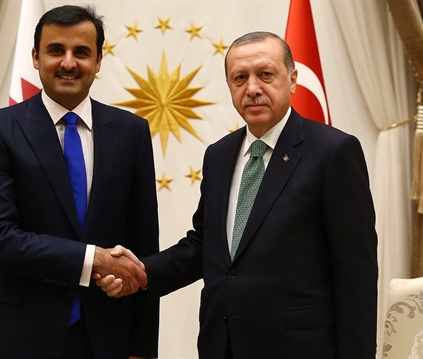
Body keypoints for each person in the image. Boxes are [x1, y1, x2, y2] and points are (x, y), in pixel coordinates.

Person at [97, 31, 378, 358]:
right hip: (223, 344)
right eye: (240, 78)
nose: (253, 88)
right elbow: (205, 245)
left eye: (266, 74)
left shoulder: (333, 152)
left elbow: (355, 273)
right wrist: (143, 273)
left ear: (293, 79)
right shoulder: (219, 155)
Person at [0, 5, 159, 359]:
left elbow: (143, 247)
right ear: (36, 57)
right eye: (56, 50)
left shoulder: (131, 132)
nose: (68, 63)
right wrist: (92, 260)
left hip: (106, 337)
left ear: (99, 61)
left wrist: (142, 348)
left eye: (82, 52)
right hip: (18, 337)